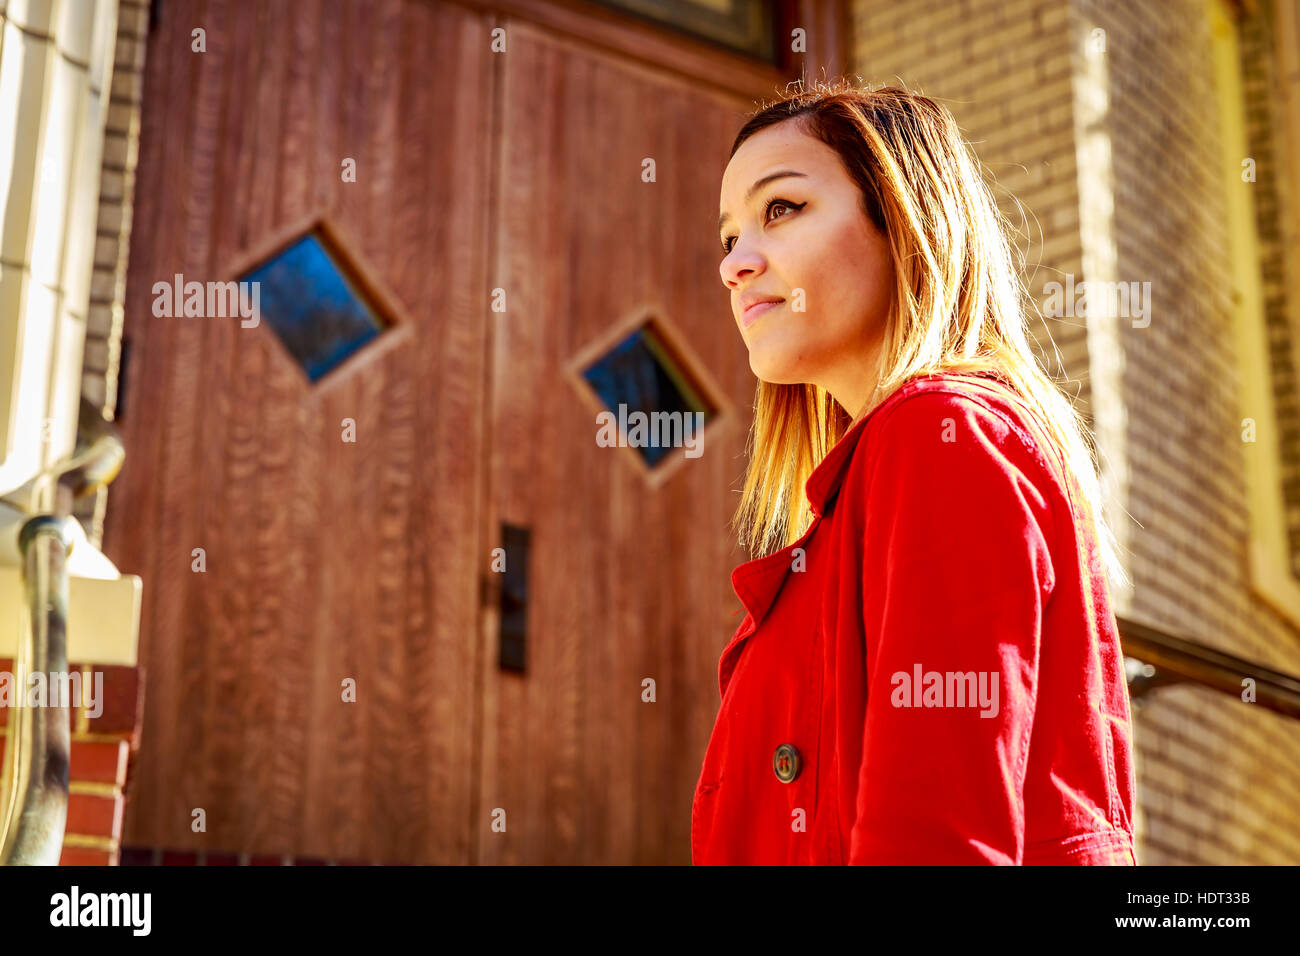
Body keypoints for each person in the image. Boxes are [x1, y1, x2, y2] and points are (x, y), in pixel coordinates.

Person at [696, 79, 1138, 865]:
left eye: (781, 209)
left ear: (902, 220)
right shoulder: (878, 477)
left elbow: (941, 835)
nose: (736, 264)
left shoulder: (942, 436)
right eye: (729, 237)